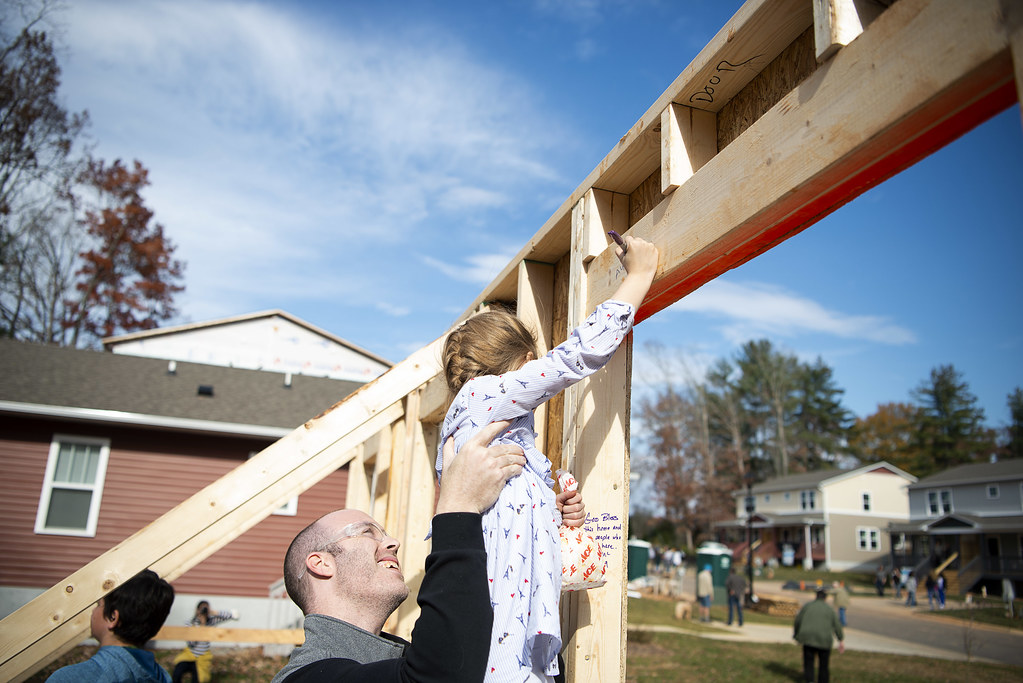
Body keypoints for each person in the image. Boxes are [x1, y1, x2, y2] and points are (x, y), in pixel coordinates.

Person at [437, 235, 658, 681]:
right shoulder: (481, 396)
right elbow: (573, 359)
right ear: (523, 361)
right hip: (499, 646)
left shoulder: (490, 439)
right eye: (530, 367)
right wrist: (639, 276)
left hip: (508, 633)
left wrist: (555, 517)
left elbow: (501, 522)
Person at [271, 420, 527, 683]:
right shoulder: (304, 678)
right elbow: (435, 677)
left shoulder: (396, 660)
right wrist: (456, 508)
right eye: (366, 531)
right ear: (321, 563)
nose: (394, 542)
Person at [47, 569, 174, 683]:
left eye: (99, 605)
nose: (93, 611)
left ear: (113, 617)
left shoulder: (71, 678)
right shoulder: (163, 677)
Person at [171, 600, 239, 683]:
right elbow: (191, 643)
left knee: (199, 679)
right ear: (197, 610)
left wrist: (213, 612)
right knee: (177, 673)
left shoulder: (210, 622)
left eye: (206, 608)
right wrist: (201, 627)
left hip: (203, 657)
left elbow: (233, 616)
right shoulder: (190, 623)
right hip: (189, 655)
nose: (204, 610)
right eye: (202, 608)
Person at [793, 588, 844, 683]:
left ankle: (810, 680)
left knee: (809, 662)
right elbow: (837, 625)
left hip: (808, 639)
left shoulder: (807, 606)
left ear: (816, 597)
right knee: (824, 665)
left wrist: (796, 635)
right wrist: (841, 639)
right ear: (825, 598)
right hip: (824, 641)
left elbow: (798, 621)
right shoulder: (829, 609)